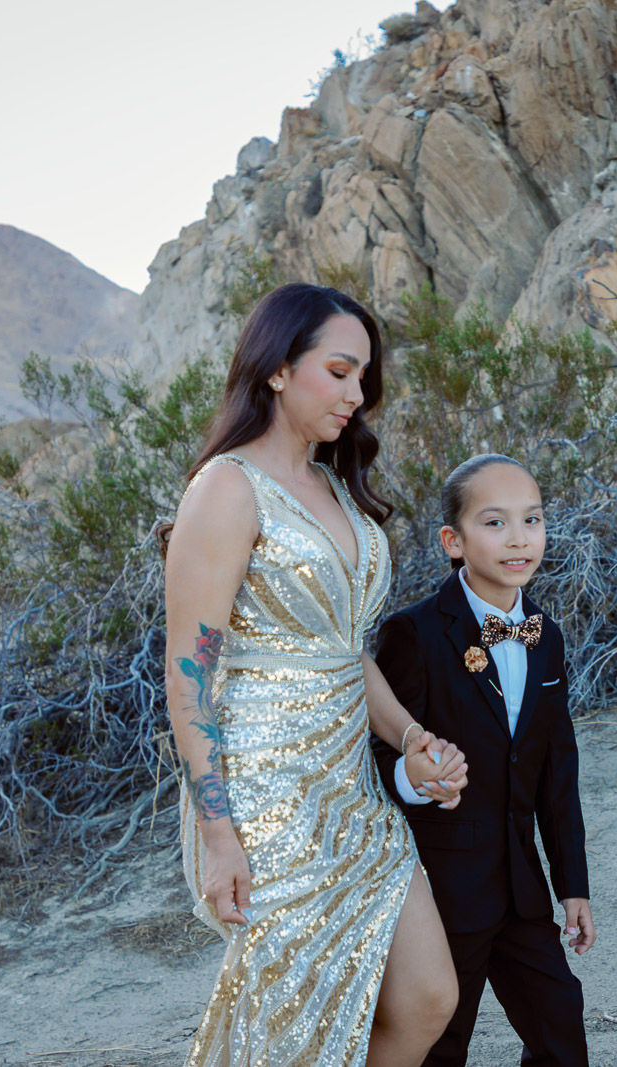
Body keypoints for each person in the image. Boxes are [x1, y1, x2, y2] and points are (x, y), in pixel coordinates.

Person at [162, 282, 469, 1067]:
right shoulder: (226, 489)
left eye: (362, 377)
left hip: (350, 791)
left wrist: (409, 738)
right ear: (275, 368)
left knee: (428, 993)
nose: (355, 394)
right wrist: (219, 831)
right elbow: (189, 674)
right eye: (337, 371)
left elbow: (340, 649)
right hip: (268, 803)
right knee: (291, 1029)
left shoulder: (336, 486)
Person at [371, 453, 595, 1067]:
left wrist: (571, 884)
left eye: (533, 520)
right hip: (443, 890)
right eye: (495, 523)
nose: (519, 538)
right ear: (454, 539)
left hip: (523, 888)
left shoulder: (546, 637)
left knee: (560, 1028)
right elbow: (373, 757)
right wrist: (414, 782)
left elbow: (557, 770)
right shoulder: (413, 635)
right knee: (443, 1040)